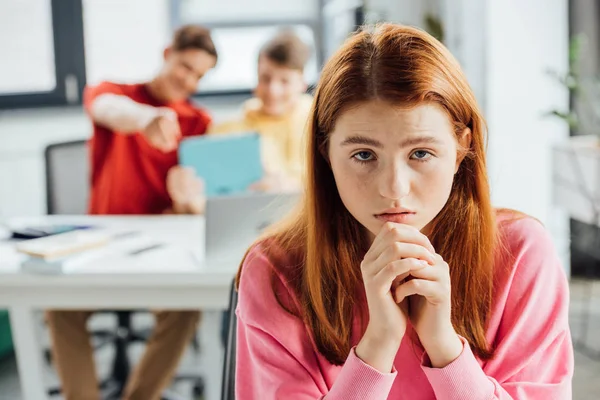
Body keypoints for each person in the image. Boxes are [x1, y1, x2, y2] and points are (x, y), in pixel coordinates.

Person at [235, 23, 574, 399]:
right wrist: (377, 345)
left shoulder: (520, 254)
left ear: (462, 147)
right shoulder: (275, 271)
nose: (393, 188)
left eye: (420, 153)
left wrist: (444, 346)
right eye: (363, 155)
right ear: (325, 152)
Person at [45, 25, 217, 400]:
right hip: (103, 239)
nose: (188, 80)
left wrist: (189, 202)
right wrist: (145, 119)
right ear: (168, 53)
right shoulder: (116, 93)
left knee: (184, 309)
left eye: (199, 76)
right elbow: (109, 110)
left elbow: (200, 199)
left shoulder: (199, 122)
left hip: (162, 243)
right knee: (60, 306)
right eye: (185, 66)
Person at [209, 30, 313, 192]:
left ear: (302, 83)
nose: (273, 90)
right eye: (265, 78)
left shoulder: (321, 122)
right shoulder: (229, 130)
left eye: (284, 81)